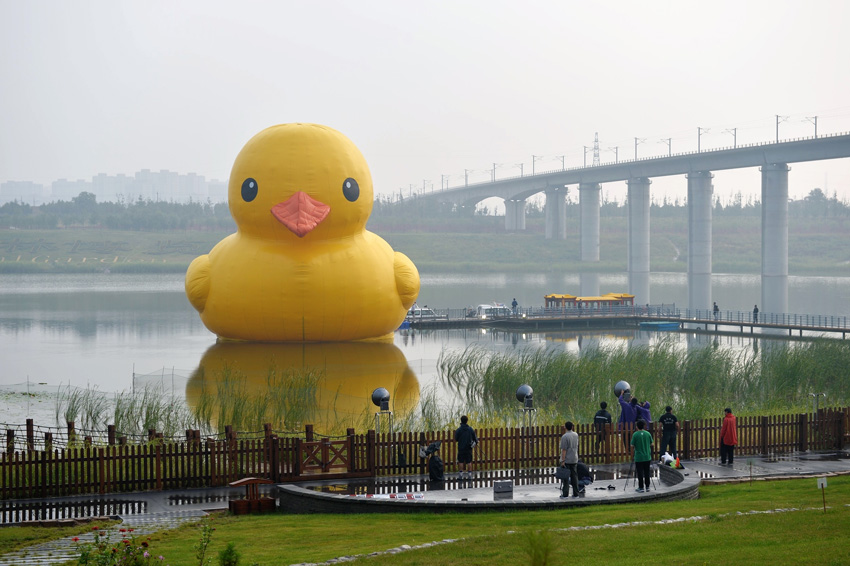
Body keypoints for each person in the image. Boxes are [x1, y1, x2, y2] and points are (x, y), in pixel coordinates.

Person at [559, 421, 582, 498]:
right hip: (574, 458)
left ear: (565, 427)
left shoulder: (564, 437)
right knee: (574, 477)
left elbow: (564, 450)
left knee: (565, 477)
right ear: (572, 427)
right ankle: (576, 493)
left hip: (567, 459)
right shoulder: (576, 435)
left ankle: (565, 494)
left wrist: (562, 460)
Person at [630, 419, 653, 492]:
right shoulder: (648, 434)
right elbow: (652, 444)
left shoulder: (635, 434)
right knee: (647, 471)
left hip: (639, 457)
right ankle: (648, 486)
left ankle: (641, 487)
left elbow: (632, 445)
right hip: (647, 456)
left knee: (640, 472)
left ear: (637, 427)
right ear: (644, 426)